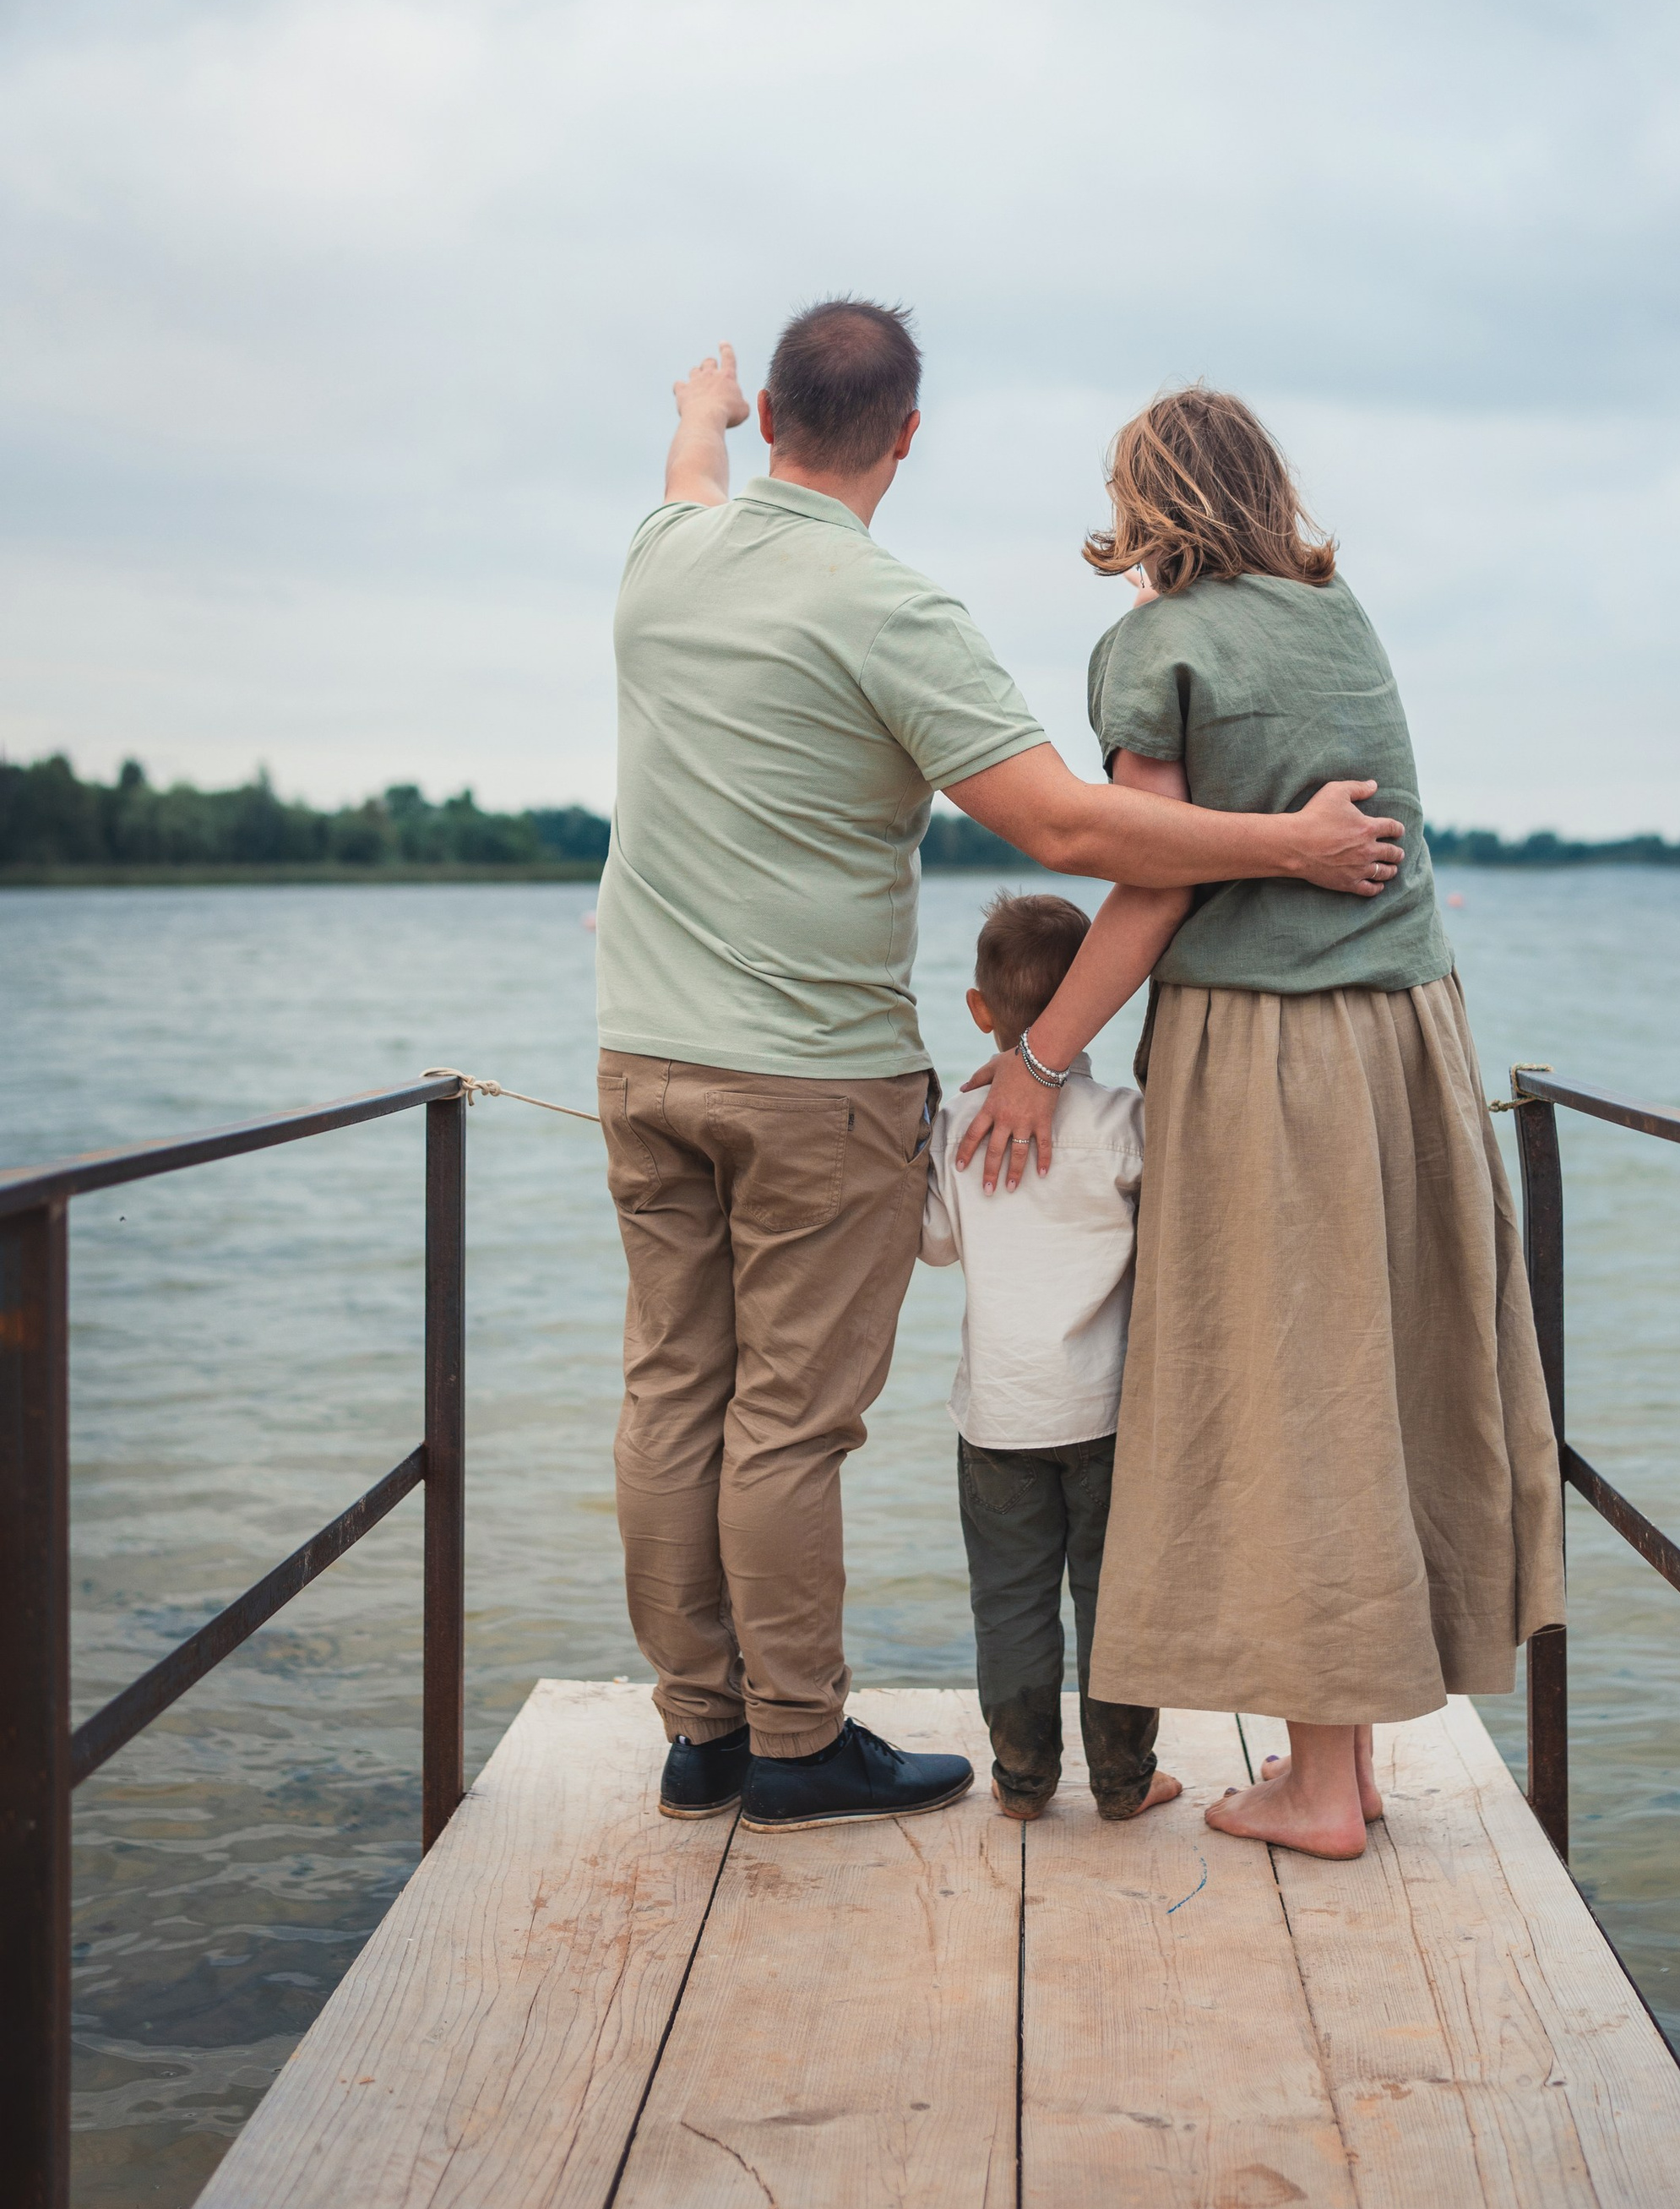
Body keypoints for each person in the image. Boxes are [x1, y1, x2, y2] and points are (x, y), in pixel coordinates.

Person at [595, 303, 1409, 1834]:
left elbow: (687, 474)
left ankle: (697, 1733)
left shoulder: (664, 554)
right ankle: (790, 1746)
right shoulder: (892, 609)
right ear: (909, 436)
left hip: (639, 1055)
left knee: (669, 1391)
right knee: (784, 1420)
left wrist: (696, 410)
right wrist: (1290, 844)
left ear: (771, 418)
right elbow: (1075, 834)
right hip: (805, 1076)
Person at [959, 384, 1565, 1859]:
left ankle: (1316, 1789)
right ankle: (1343, 1765)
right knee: (1378, 1377)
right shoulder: (1336, 611)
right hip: (1411, 1031)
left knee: (1297, 1390)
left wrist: (1042, 1053)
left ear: (1142, 499)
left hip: (1271, 1048)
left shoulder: (1153, 646)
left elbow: (1151, 875)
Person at [918, 892, 1178, 1825]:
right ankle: (1123, 1782)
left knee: (1010, 1603)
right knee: (1114, 1605)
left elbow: (937, 1247)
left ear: (979, 1010)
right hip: (1107, 1414)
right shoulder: (1123, 1121)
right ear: (1100, 1000)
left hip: (996, 1415)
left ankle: (1023, 1783)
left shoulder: (955, 1123)